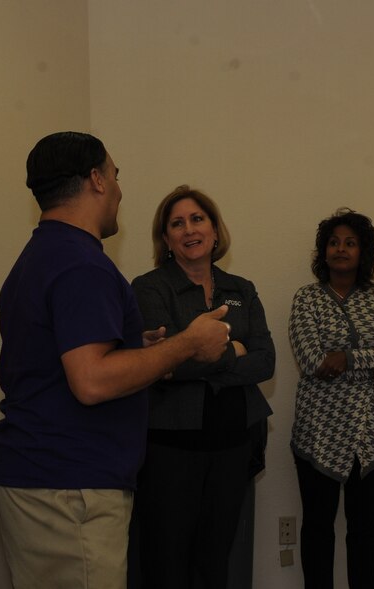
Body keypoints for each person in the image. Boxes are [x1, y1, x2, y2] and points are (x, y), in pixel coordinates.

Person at [0, 132, 231, 589]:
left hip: (44, 477)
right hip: (69, 486)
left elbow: (64, 359)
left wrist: (131, 347)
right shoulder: (81, 263)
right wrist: (186, 344)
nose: (120, 191)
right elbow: (92, 381)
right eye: (116, 175)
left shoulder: (42, 255)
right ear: (97, 180)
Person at [130, 185, 275, 588]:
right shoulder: (149, 288)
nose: (189, 229)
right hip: (169, 451)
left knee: (215, 563)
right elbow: (161, 366)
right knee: (166, 564)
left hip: (233, 445)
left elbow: (266, 361)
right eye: (177, 223)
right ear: (166, 239)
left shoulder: (241, 289)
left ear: (214, 230)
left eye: (197, 219)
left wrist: (196, 355)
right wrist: (233, 351)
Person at [289, 208, 374, 589]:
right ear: (323, 251)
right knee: (318, 530)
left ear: (364, 252)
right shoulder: (307, 299)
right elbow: (312, 362)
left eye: (350, 242)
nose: (341, 249)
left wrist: (347, 357)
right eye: (333, 242)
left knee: (364, 532)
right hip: (318, 434)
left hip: (368, 434)